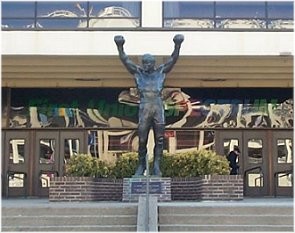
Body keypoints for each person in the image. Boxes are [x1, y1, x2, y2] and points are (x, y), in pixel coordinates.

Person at [114, 34, 184, 176]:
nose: (146, 65)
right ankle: (141, 166)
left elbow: (173, 59)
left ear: (153, 63)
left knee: (159, 139)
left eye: (149, 63)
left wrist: (177, 45)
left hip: (158, 107)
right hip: (144, 107)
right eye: (144, 63)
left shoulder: (161, 72)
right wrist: (120, 46)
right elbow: (125, 60)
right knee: (142, 139)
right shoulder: (138, 73)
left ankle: (157, 166)